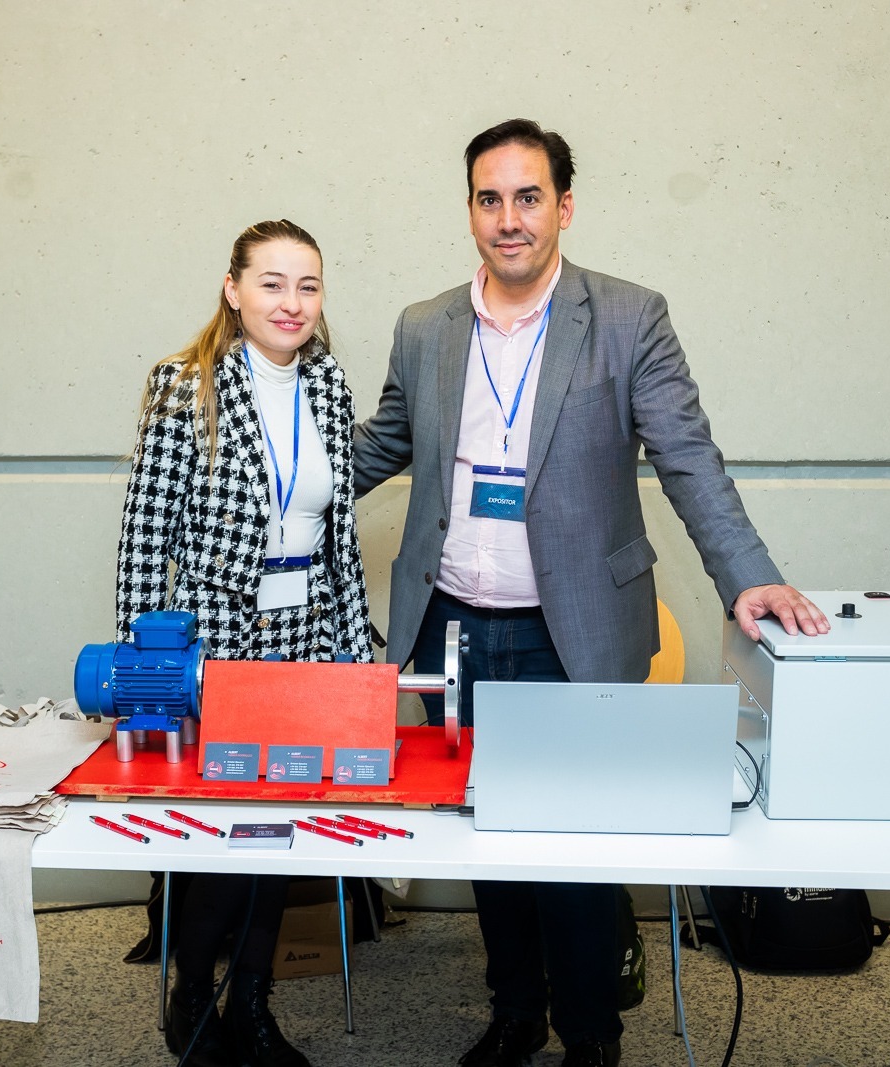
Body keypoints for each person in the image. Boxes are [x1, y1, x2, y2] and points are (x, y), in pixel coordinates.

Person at [352, 120, 829, 1067]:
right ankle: (515, 1013)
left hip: (568, 631)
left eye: (529, 197)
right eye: (490, 199)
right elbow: (383, 443)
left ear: (564, 207)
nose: (510, 218)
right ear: (471, 211)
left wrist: (750, 573)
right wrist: (268, 483)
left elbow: (689, 458)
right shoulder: (424, 326)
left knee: (571, 854)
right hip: (449, 626)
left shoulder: (628, 316)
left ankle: (591, 1037)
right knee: (488, 840)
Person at [116, 219, 372, 1067]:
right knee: (223, 833)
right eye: (272, 282)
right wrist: (145, 675)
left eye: (308, 285)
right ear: (233, 289)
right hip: (217, 642)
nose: (291, 302)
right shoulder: (185, 385)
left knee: (282, 831)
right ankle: (194, 994)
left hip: (306, 635)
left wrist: (353, 659)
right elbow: (146, 539)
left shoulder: (327, 383)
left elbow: (339, 541)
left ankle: (253, 1002)